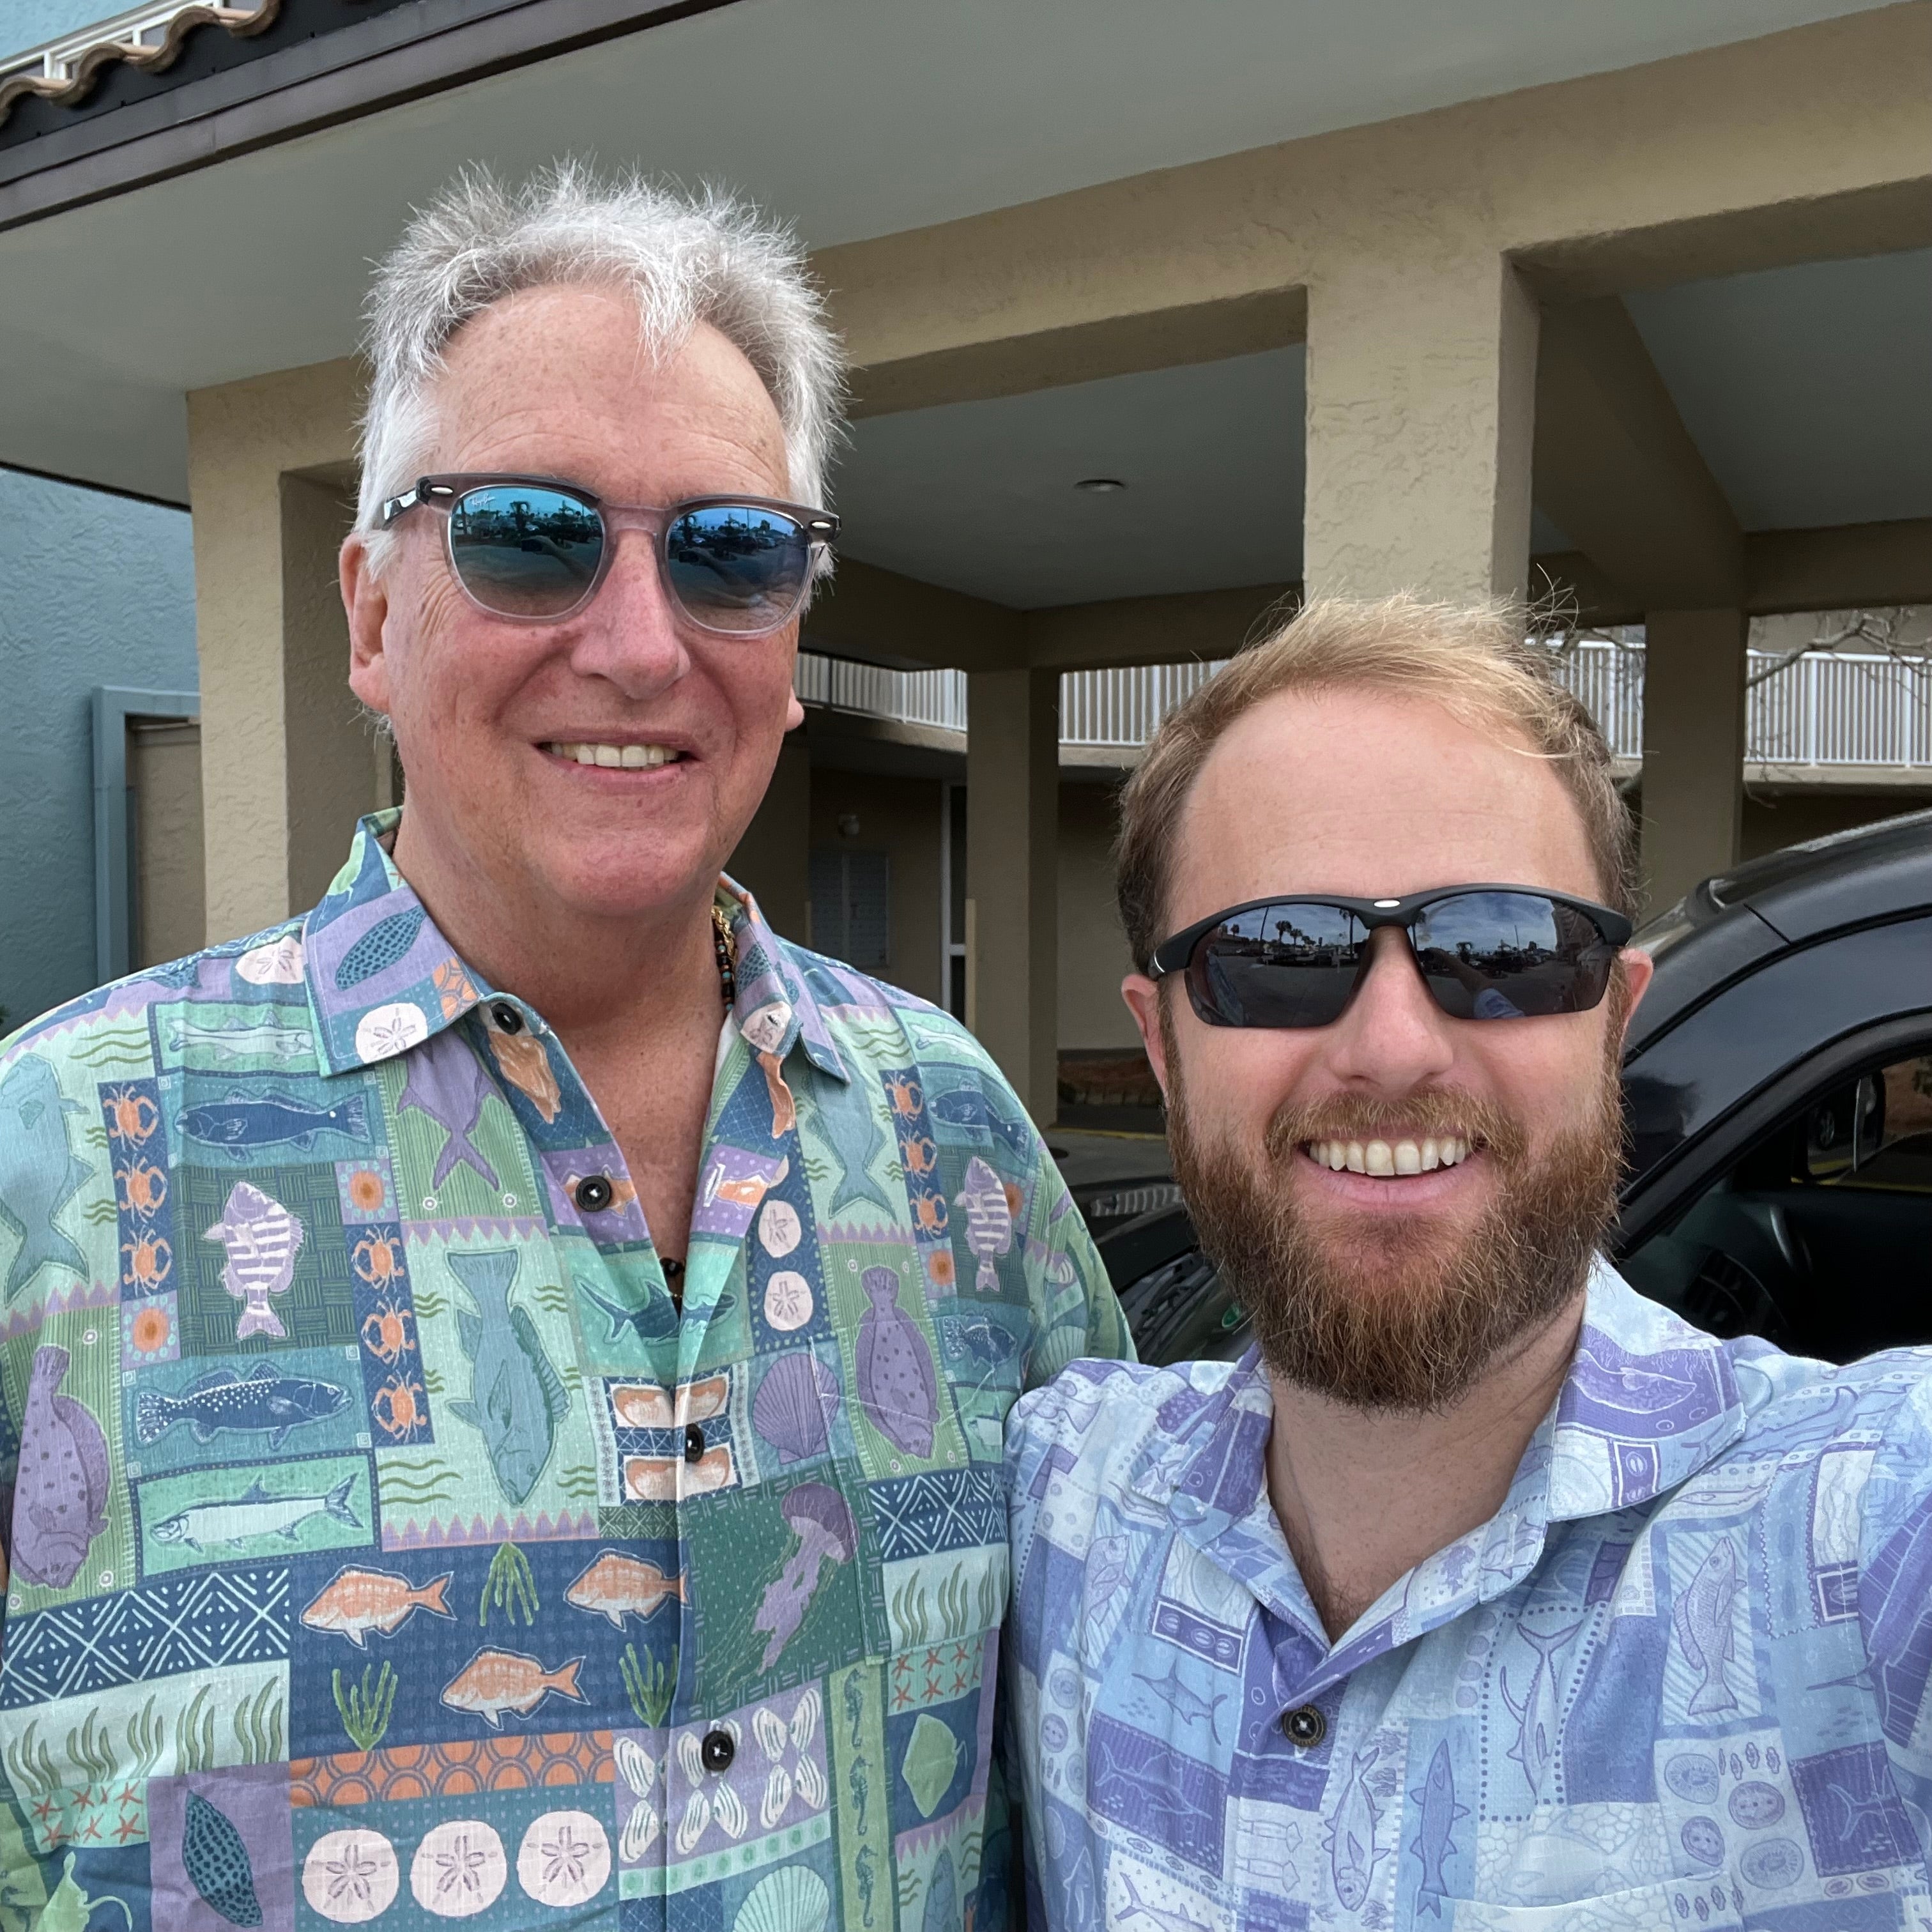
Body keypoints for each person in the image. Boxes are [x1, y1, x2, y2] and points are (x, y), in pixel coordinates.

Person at [0, 164, 1124, 1931]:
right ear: (373, 614)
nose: (639, 639)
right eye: (530, 532)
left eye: (731, 552)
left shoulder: (956, 1143)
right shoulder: (44, 1167)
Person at [1004, 597, 1932, 1928]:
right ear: (1162, 1048)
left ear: (1614, 1022)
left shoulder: (1866, 1532)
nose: (1394, 1046)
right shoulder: (1057, 1494)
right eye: (1280, 955)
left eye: (1502, 949)